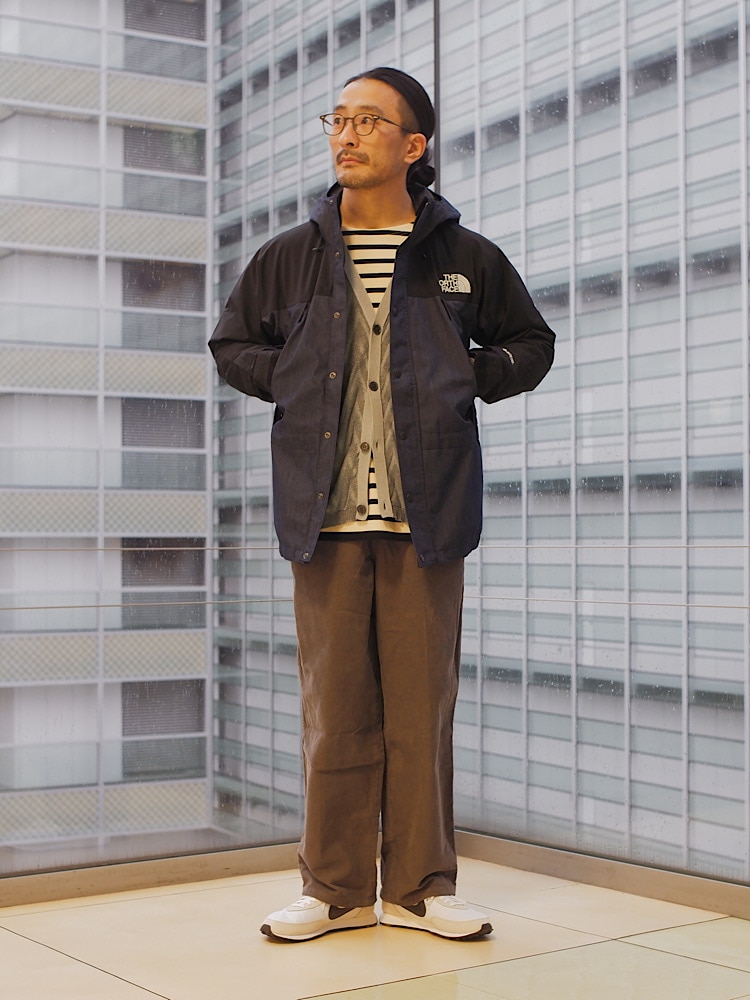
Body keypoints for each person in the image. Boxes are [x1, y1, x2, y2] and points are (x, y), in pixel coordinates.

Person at [209, 66, 555, 942]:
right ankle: (333, 890)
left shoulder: (462, 256)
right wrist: (293, 378)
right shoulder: (292, 255)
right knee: (334, 712)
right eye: (339, 119)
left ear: (413, 145)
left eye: (369, 121)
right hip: (323, 518)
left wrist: (467, 378)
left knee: (421, 711)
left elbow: (531, 342)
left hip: (426, 518)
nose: (347, 134)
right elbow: (232, 343)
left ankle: (419, 889)